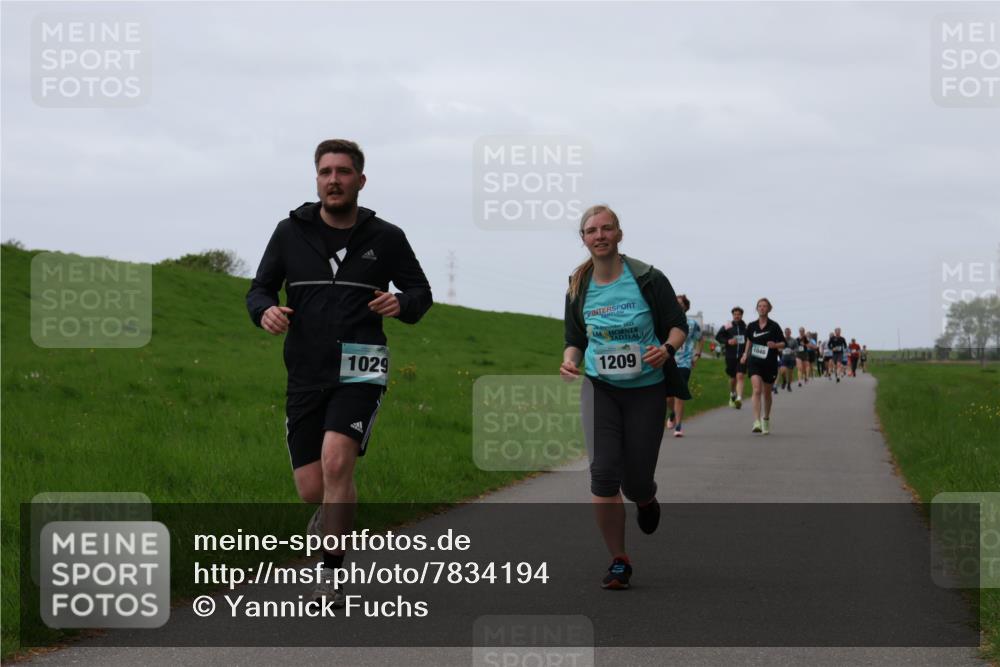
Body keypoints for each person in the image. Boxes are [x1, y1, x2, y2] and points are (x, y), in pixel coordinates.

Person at [246, 139, 433, 607]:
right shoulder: (289, 233)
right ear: (316, 179)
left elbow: (419, 291)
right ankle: (328, 519)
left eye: (344, 172)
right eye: (326, 171)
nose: (334, 179)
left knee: (336, 461)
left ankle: (330, 573)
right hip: (305, 370)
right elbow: (259, 289)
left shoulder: (386, 237)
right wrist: (265, 310)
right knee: (312, 488)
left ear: (360, 181)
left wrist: (401, 303)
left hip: (362, 366)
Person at [561, 204, 688, 590]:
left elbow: (677, 326)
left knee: (635, 482)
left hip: (646, 390)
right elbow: (575, 340)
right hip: (600, 387)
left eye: (606, 228)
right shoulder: (577, 285)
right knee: (602, 475)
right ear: (583, 239)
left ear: (619, 234)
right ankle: (619, 559)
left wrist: (666, 349)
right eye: (590, 230)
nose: (599, 235)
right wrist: (569, 362)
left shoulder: (648, 278)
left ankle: (646, 499)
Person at [739, 298, 784, 435]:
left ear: (769, 309)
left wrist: (775, 345)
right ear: (757, 309)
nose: (762, 308)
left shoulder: (774, 326)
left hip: (769, 363)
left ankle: (766, 419)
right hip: (755, 361)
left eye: (765, 306)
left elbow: (783, 343)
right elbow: (749, 341)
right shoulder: (751, 326)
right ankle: (756, 421)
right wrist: (745, 354)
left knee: (767, 393)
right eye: (760, 306)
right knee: (757, 389)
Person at [667, 294, 703, 437]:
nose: (678, 305)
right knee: (668, 397)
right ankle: (673, 414)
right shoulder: (666, 320)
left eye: (680, 303)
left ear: (686, 307)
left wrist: (697, 355)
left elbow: (700, 339)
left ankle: (678, 426)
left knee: (679, 394)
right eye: (675, 302)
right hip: (668, 360)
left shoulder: (692, 324)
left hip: (685, 361)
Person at [715, 307, 748, 409]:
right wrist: (728, 341)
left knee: (740, 376)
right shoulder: (728, 326)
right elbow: (718, 336)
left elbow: (749, 341)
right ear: (733, 315)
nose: (737, 316)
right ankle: (732, 394)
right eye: (735, 314)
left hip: (742, 356)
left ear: (742, 315)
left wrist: (747, 353)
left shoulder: (746, 327)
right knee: (733, 378)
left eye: (739, 314)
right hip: (730, 356)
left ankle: (739, 398)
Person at [779, 327, 798, 392]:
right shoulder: (781, 339)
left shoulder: (794, 340)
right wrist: (781, 350)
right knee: (782, 371)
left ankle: (789, 385)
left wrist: (792, 351)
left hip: (791, 358)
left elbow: (797, 349)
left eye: (788, 332)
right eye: (786, 332)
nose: (787, 334)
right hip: (784, 358)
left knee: (790, 373)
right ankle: (784, 381)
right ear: (784, 333)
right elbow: (778, 348)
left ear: (790, 333)